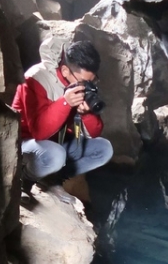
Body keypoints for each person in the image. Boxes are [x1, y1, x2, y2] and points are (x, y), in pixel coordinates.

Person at [11, 38, 113, 190]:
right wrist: (65, 102)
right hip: (23, 141)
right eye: (83, 81)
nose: (87, 86)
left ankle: (53, 180)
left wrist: (86, 114)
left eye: (91, 82)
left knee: (104, 149)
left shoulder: (77, 84)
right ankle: (23, 180)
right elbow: (39, 132)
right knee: (56, 154)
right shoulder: (35, 79)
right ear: (65, 71)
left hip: (56, 139)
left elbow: (94, 133)